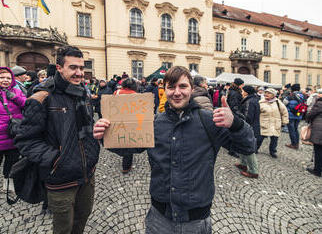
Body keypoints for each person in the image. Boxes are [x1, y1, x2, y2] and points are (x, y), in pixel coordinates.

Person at [93, 66, 256, 233]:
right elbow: (129, 148)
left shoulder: (208, 120)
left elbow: (248, 146)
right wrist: (106, 136)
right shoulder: (155, 122)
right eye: (171, 87)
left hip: (196, 220)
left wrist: (236, 124)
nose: (177, 92)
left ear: (192, 89)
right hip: (159, 217)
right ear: (164, 90)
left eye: (182, 86)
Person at [15, 46, 100, 234]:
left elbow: (85, 128)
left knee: (81, 219)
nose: (79, 73)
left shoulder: (83, 93)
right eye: (73, 68)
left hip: (87, 173)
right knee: (63, 228)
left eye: (81, 68)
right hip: (60, 178)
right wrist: (57, 160)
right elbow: (26, 141)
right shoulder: (42, 96)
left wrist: (96, 139)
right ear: (59, 67)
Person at [0, 67, 26, 205]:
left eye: (8, 78)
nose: (5, 80)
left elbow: (27, 104)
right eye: (2, 78)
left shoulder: (16, 91)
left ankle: (8, 186)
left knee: (11, 163)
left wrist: (15, 97)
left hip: (13, 135)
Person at [112, 78, 139, 174]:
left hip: (118, 120)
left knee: (122, 139)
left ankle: (122, 154)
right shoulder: (136, 95)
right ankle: (126, 166)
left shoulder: (117, 92)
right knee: (129, 141)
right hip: (131, 121)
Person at [235, 85, 260, 178]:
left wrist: (237, 114)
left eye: (243, 91)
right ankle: (243, 163)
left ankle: (253, 171)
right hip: (250, 126)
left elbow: (248, 117)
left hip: (249, 127)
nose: (242, 92)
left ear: (246, 92)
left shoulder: (250, 101)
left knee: (249, 149)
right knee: (243, 145)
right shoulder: (252, 99)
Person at [257, 88, 289, 158]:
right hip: (264, 123)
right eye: (266, 93)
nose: (266, 94)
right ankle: (255, 149)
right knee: (260, 138)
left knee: (274, 139)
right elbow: (257, 113)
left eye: (269, 93)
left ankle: (273, 151)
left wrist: (284, 122)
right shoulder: (261, 102)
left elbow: (284, 112)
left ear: (273, 95)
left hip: (275, 124)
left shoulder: (278, 102)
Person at [305, 88, 322, 177]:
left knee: (318, 150)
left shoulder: (319, 103)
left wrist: (307, 119)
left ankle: (317, 170)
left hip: (319, 130)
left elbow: (311, 114)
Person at [283, 84, 305, 150]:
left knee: (291, 130)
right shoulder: (302, 96)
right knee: (296, 129)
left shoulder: (290, 95)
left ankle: (293, 144)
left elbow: (284, 103)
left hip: (291, 115)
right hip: (299, 114)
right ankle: (297, 143)